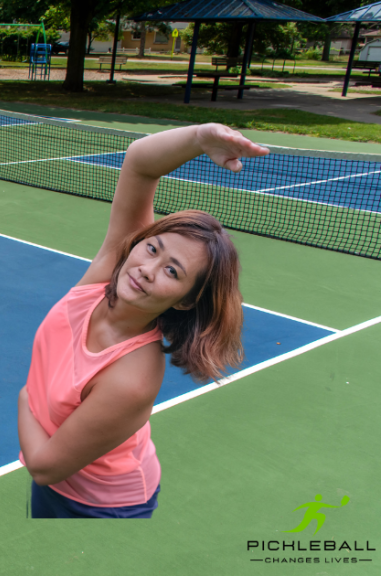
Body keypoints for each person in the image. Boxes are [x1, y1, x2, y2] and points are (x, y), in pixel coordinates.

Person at [17, 123, 268, 518]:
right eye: (152, 248)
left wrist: (25, 400)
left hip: (102, 506)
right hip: (57, 474)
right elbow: (139, 164)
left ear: (186, 302)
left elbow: (45, 466)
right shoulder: (108, 273)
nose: (148, 269)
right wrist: (199, 138)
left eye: (173, 272)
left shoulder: (132, 379)